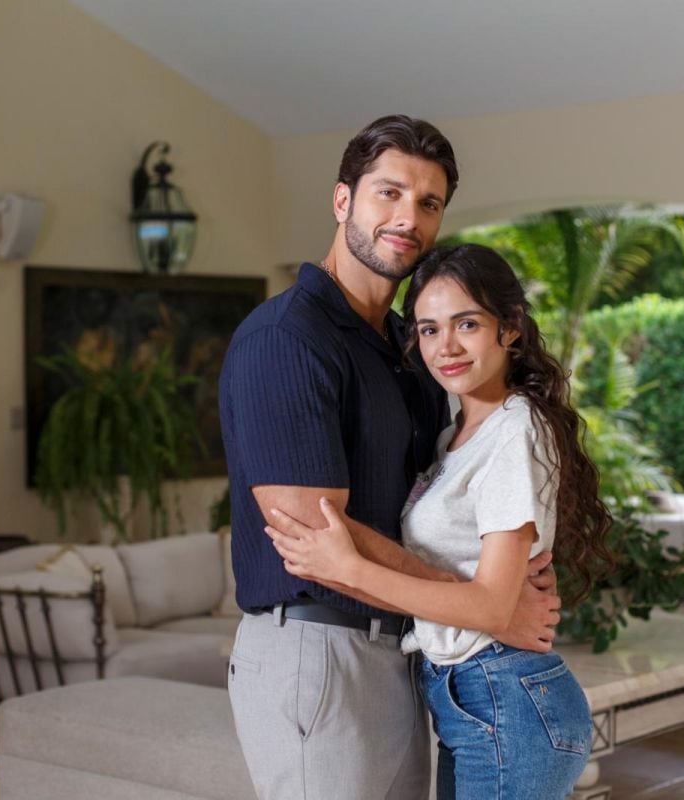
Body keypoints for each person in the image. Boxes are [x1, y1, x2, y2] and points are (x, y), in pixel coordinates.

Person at [218, 117, 561, 800]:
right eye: (389, 193)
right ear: (343, 200)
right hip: (317, 648)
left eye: (429, 203)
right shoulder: (287, 339)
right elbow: (311, 538)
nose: (408, 217)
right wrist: (483, 603)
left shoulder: (414, 346)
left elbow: (466, 485)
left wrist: (497, 580)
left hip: (407, 650)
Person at [265, 243, 616, 799]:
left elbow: (491, 607)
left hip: (504, 698)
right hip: (473, 697)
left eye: (466, 324)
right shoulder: (453, 437)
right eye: (428, 329)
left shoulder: (514, 432)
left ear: (510, 328)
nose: (445, 347)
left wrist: (348, 567)